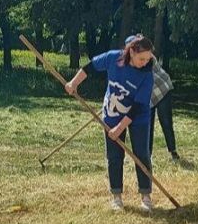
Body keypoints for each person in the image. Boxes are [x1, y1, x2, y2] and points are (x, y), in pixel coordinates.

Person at [65, 34, 155, 212]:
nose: (145, 62)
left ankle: (146, 196)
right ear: (131, 52)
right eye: (141, 58)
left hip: (138, 117)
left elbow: (137, 106)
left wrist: (120, 128)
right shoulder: (113, 58)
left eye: (148, 58)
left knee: (141, 154)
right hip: (112, 113)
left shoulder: (147, 75)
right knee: (114, 156)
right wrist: (73, 83)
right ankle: (116, 197)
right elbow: (90, 67)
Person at [149, 55, 181, 162]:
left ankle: (173, 152)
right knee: (148, 125)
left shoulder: (147, 57)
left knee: (166, 121)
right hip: (147, 95)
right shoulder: (129, 62)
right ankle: (147, 155)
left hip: (161, 89)